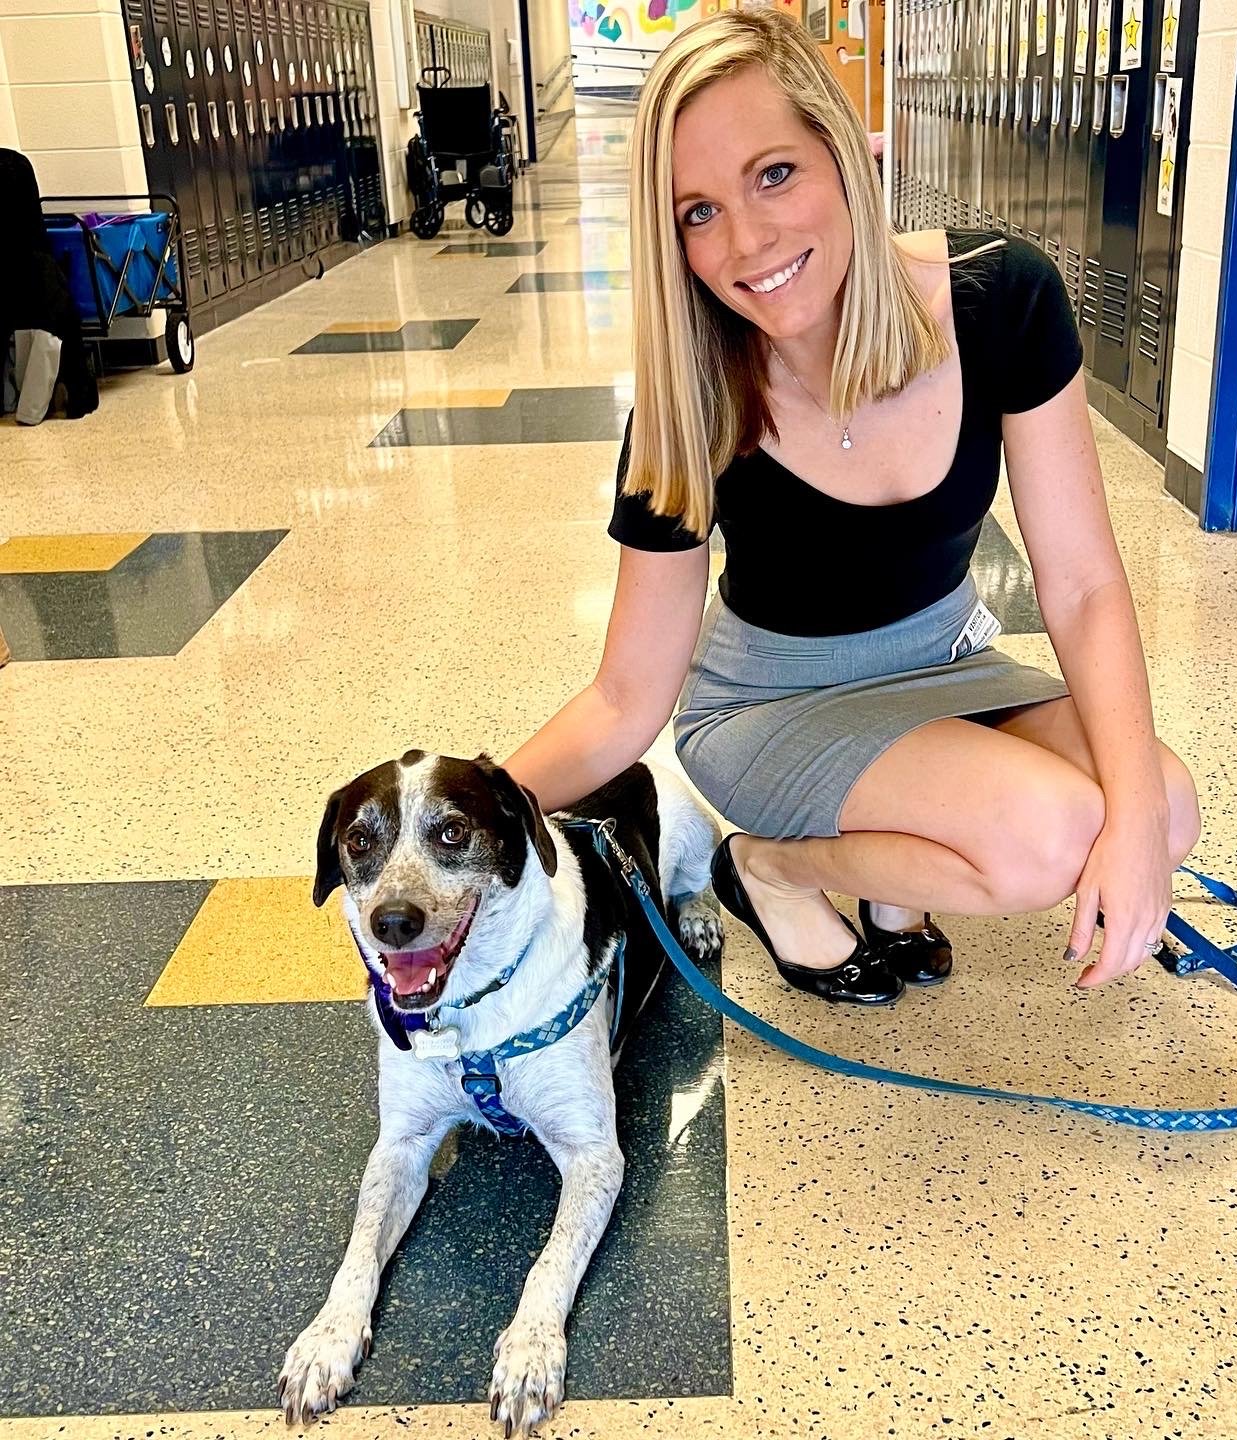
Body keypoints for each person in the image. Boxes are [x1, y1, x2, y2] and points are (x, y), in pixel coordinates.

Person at [504, 9, 1201, 1006]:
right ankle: (777, 866)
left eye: (773, 174)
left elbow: (1084, 584)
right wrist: (462, 815)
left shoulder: (1004, 300)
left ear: (841, 151)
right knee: (1044, 839)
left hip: (944, 664)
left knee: (1164, 805)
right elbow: (623, 699)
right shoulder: (692, 405)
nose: (746, 240)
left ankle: (887, 876)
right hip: (773, 706)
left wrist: (1134, 833)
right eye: (696, 211)